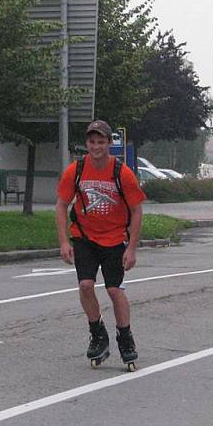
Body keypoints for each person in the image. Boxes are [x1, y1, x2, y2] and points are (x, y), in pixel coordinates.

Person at [55, 120, 146, 370]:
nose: (96, 146)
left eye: (101, 142)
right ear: (87, 144)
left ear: (109, 144)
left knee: (114, 290)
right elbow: (62, 205)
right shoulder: (76, 170)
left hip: (115, 239)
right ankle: (97, 333)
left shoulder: (121, 173)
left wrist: (132, 248)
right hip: (84, 236)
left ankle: (125, 338)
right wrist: (64, 241)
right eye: (92, 142)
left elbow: (137, 210)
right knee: (85, 285)